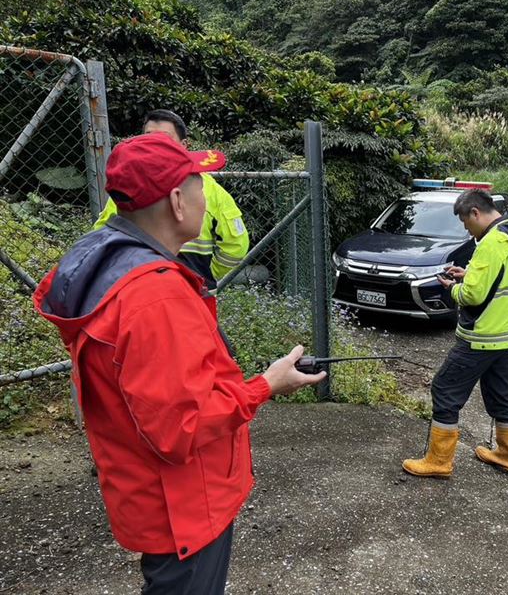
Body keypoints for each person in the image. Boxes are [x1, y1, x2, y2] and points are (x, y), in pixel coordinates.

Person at [33, 132, 326, 594]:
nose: (206, 197)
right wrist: (266, 385)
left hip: (148, 490)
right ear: (176, 201)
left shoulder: (114, 263)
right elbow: (180, 430)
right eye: (200, 185)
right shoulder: (157, 298)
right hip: (184, 506)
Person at [402, 189, 508, 479]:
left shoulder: (490, 243)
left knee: (444, 388)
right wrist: (470, 274)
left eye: (466, 223)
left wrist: (453, 287)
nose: (467, 230)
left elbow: (472, 296)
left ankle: (439, 461)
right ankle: (506, 454)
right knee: (499, 392)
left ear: (475, 213)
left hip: (482, 336)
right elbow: (506, 276)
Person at [94, 109, 249, 291]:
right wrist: (208, 273)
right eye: (148, 138)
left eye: (164, 139)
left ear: (184, 145)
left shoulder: (129, 187)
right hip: (170, 290)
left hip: (162, 289)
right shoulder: (128, 186)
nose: (155, 145)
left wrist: (207, 274)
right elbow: (236, 245)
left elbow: (101, 238)